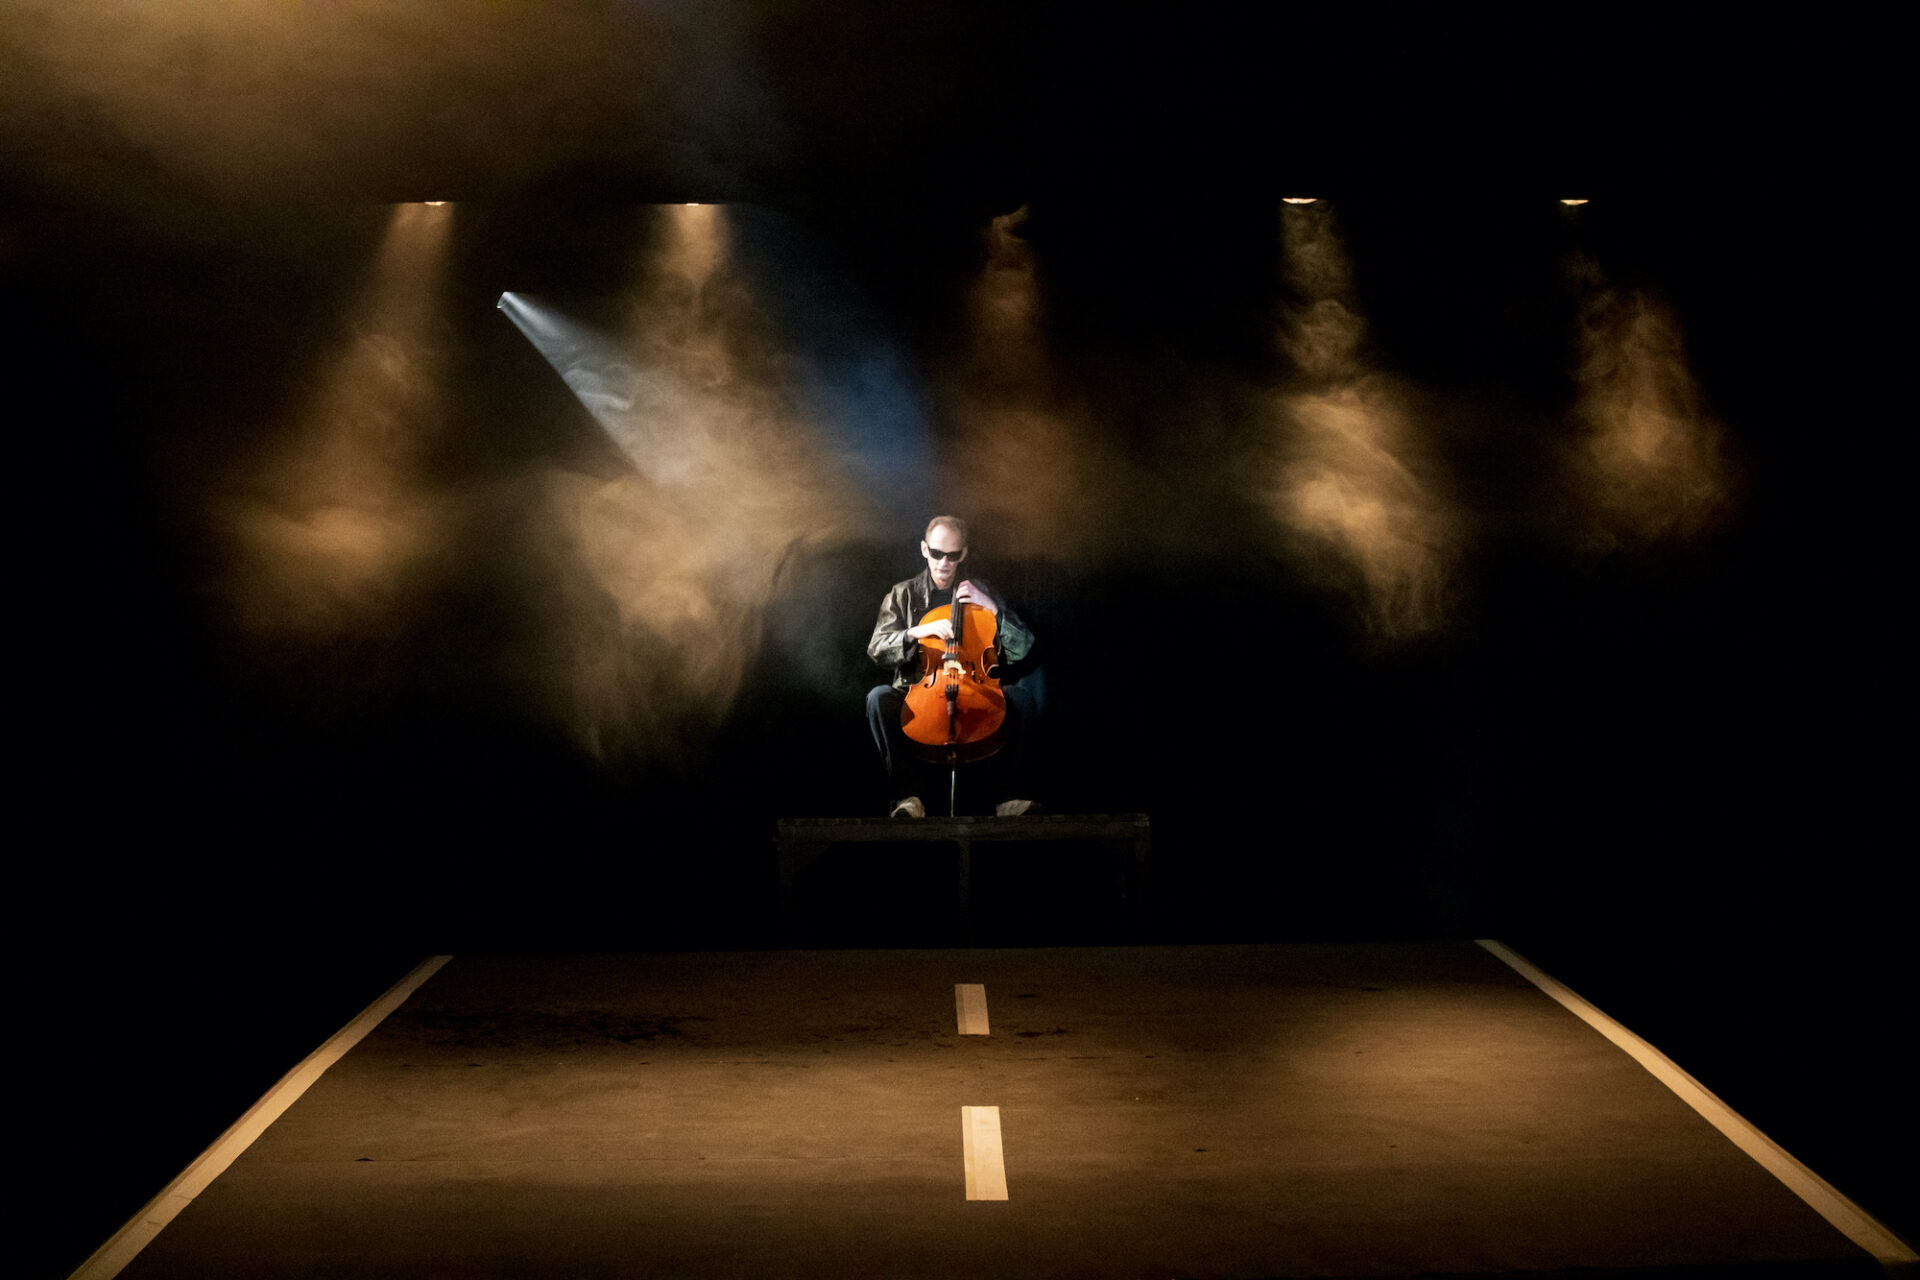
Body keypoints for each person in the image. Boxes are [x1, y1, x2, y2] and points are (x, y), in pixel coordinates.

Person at [865, 516, 1041, 818]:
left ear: (964, 554)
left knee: (1021, 699)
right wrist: (915, 633)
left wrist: (992, 608)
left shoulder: (980, 591)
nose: (944, 563)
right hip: (918, 694)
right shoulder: (902, 595)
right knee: (878, 698)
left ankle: (1007, 798)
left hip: (974, 689)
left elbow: (1023, 648)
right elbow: (877, 649)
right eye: (936, 553)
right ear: (924, 549)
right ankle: (908, 798)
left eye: (953, 555)